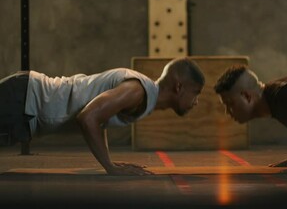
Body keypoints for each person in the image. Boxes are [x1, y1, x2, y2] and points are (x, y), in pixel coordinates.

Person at [0, 57, 205, 175]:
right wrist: (110, 167)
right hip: (24, 98)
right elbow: (88, 117)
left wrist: (110, 161)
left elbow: (100, 120)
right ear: (179, 87)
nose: (196, 102)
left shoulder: (142, 93)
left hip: (26, 111)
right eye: (196, 93)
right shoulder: (138, 90)